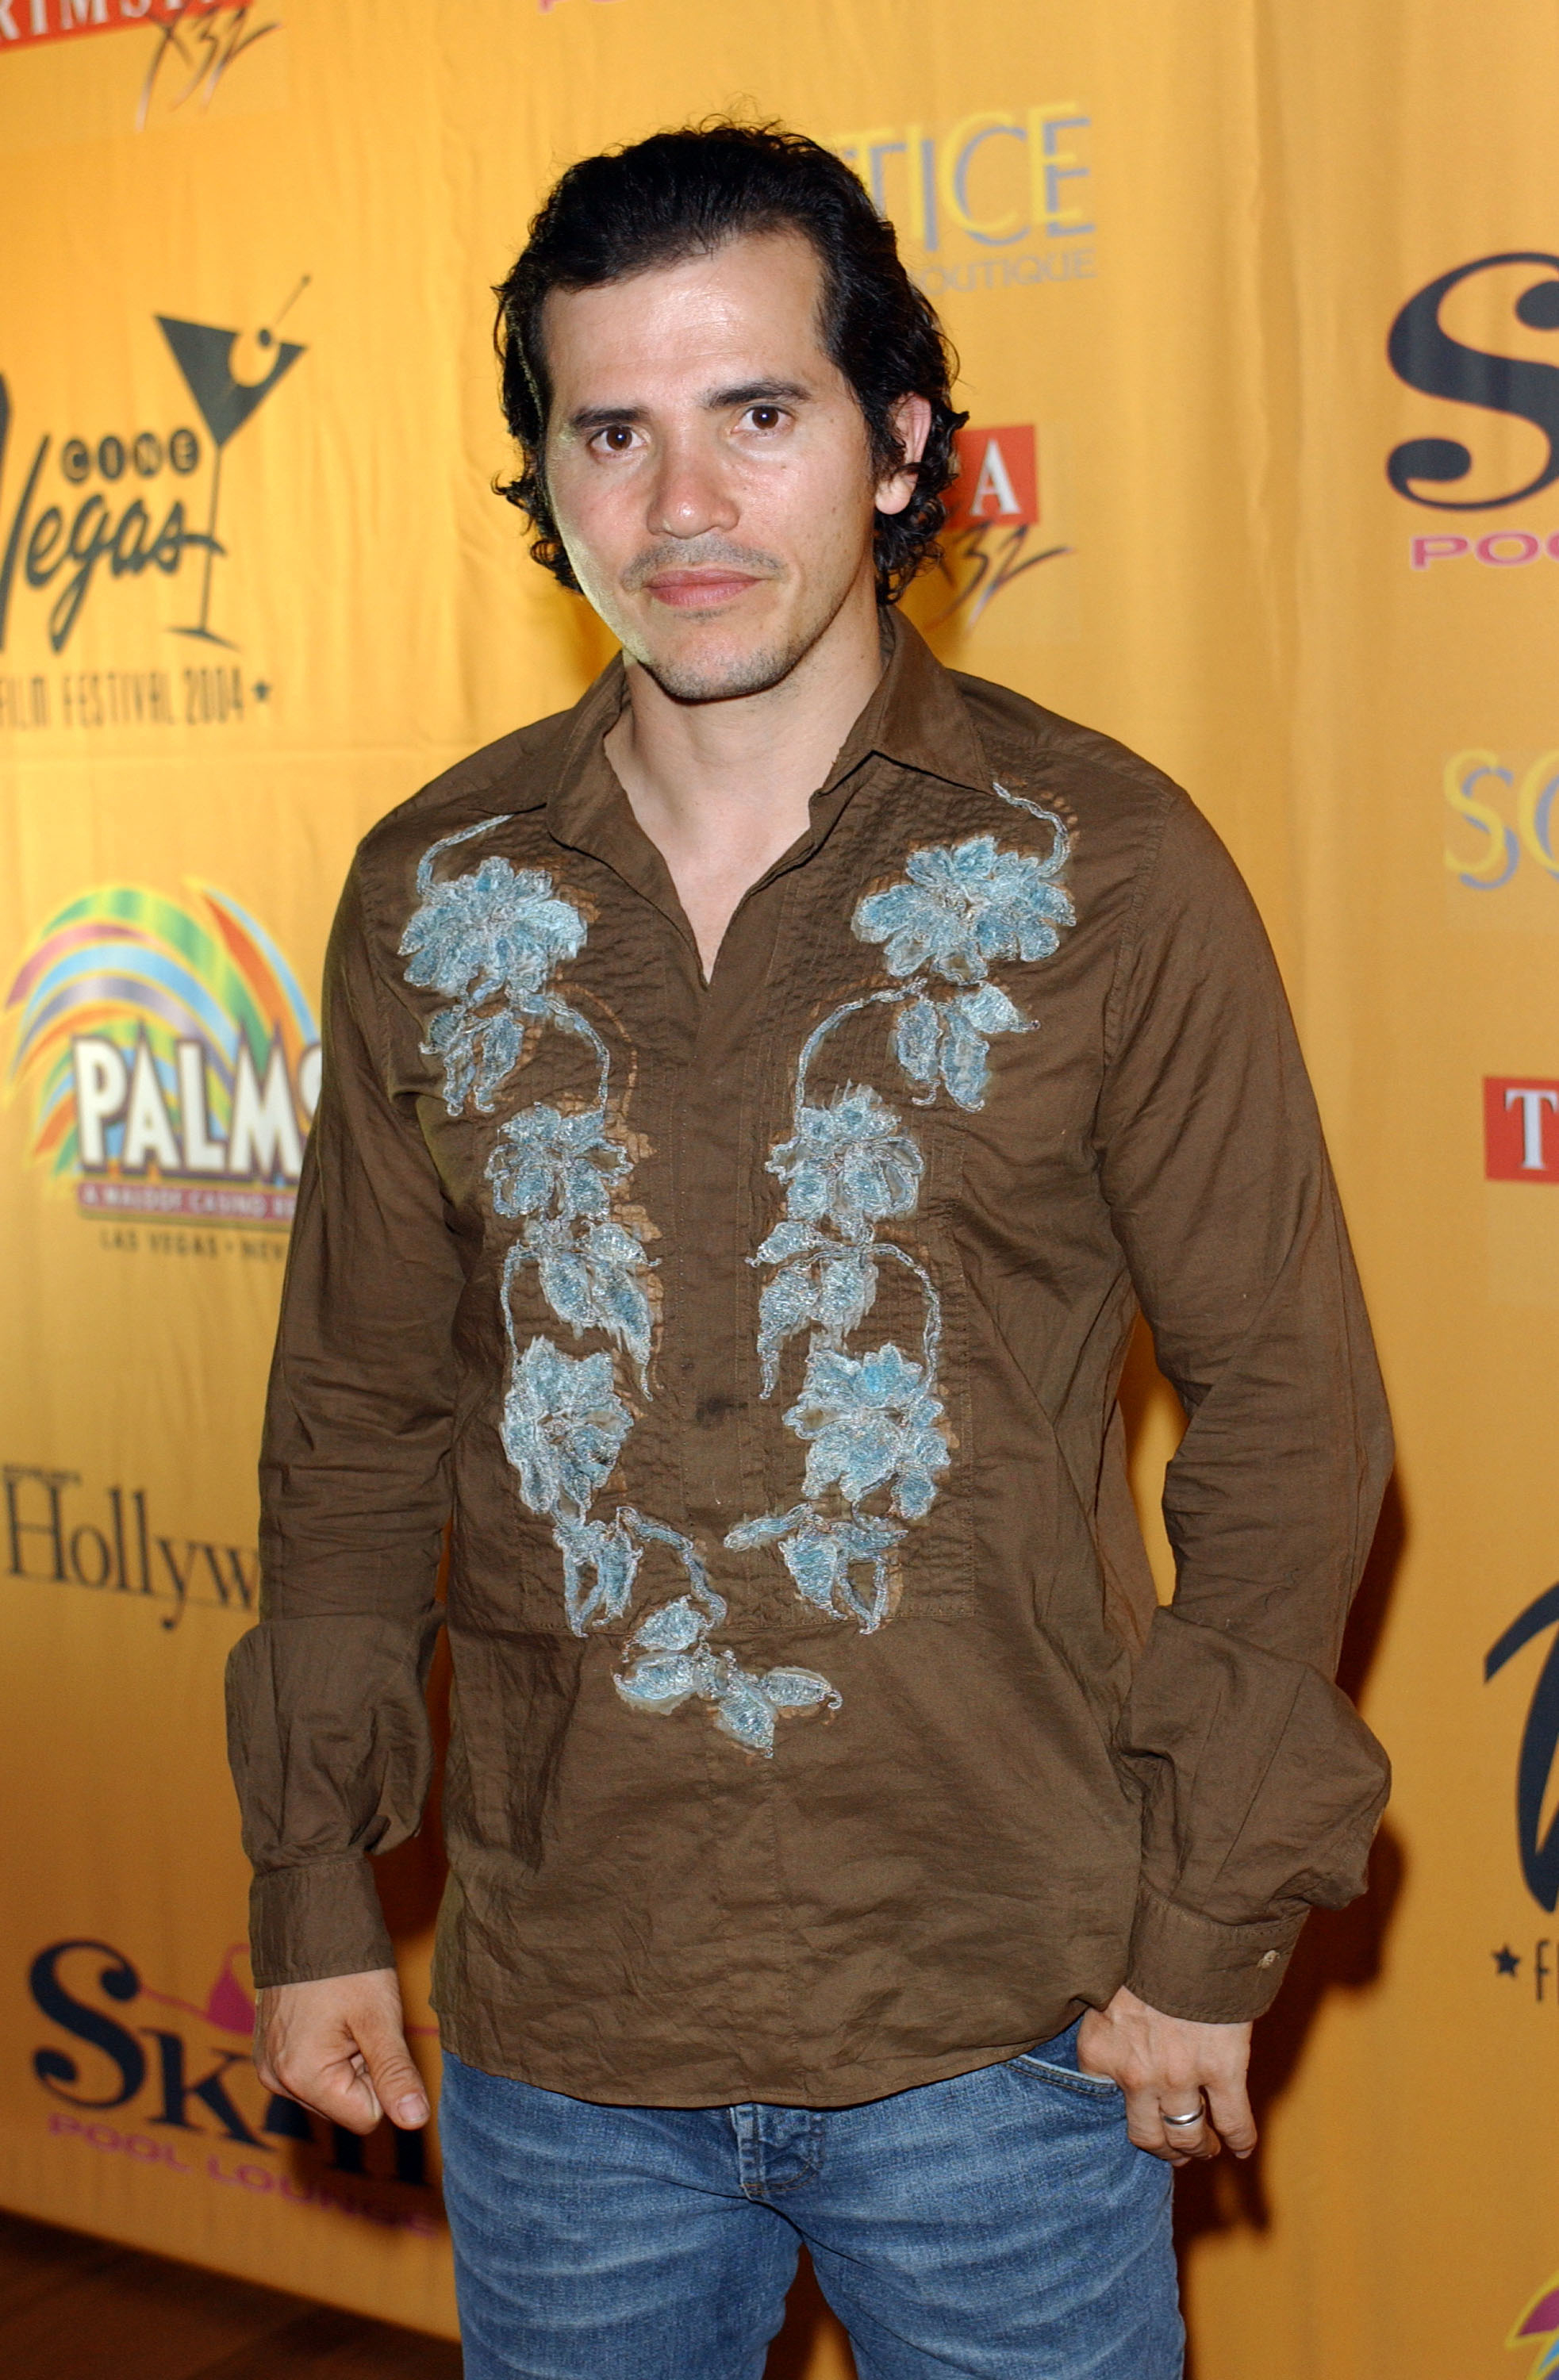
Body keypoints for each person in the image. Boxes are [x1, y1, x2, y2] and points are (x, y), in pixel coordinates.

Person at [227, 122, 1392, 2380]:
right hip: (568, 2042)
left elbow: (1292, 1409)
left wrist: (1203, 1925)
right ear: (548, 479)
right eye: (613, 432)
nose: (681, 509)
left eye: (757, 414)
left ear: (896, 447)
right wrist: (314, 1898)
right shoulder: (425, 890)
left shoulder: (1108, 866)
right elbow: (354, 1428)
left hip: (1020, 2025)